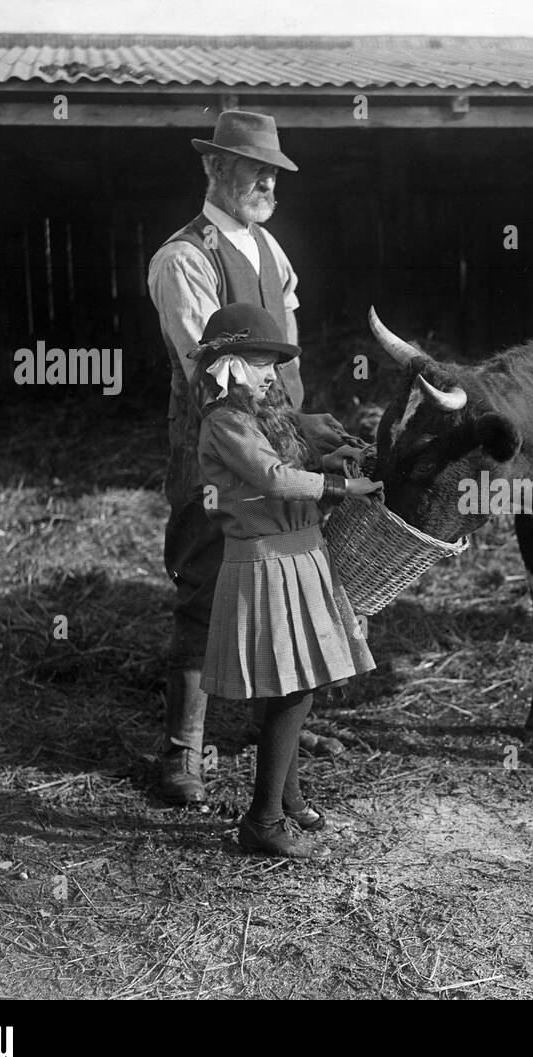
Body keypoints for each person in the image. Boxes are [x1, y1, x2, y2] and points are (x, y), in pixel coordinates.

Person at [149, 108, 362, 803]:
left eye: (274, 169)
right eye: (254, 167)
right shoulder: (185, 258)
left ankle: (277, 737)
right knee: (206, 583)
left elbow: (285, 365)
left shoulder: (273, 254)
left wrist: (312, 431)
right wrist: (289, 442)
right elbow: (218, 376)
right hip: (222, 452)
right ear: (215, 167)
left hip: (281, 446)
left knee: (284, 589)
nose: (268, 180)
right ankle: (185, 752)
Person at [192, 304, 381, 858]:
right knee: (293, 689)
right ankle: (262, 821)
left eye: (275, 361)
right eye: (259, 361)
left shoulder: (262, 416)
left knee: (297, 682)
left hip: (302, 557)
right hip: (266, 563)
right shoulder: (225, 422)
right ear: (228, 364)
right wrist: (344, 489)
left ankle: (289, 799)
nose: (271, 372)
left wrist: (337, 454)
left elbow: (289, 454)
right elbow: (273, 478)